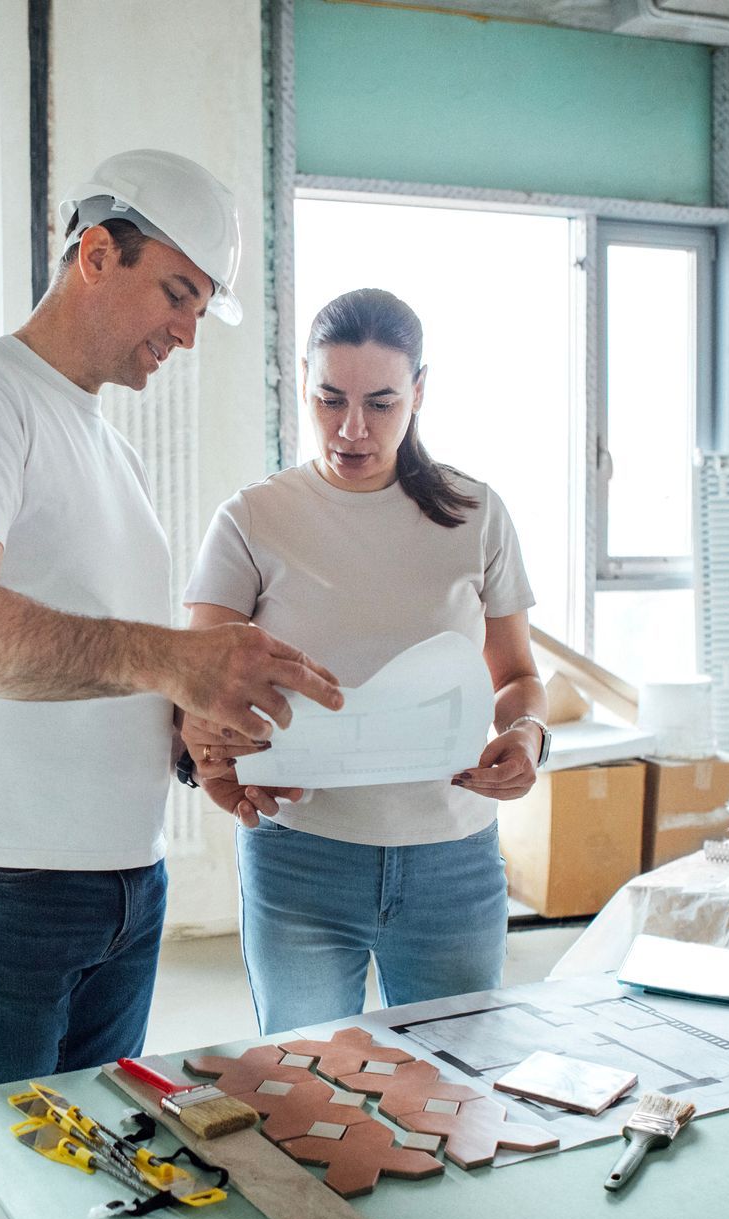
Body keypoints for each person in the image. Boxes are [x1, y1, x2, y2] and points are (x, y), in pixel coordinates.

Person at [0, 150, 342, 1093]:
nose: (186, 331)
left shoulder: (112, 451)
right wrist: (175, 658)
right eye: (176, 293)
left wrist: (195, 738)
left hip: (128, 881)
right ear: (96, 254)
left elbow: (118, 662)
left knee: (87, 1170)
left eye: (201, 308)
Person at [180, 287, 550, 1035]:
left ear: (420, 391)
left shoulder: (477, 515)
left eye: (381, 403)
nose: (351, 428)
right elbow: (199, 689)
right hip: (301, 858)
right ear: (303, 386)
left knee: (458, 1089)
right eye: (329, 399)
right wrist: (217, 743)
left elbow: (516, 675)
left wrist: (530, 737)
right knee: (305, 1088)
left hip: (453, 861)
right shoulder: (253, 518)